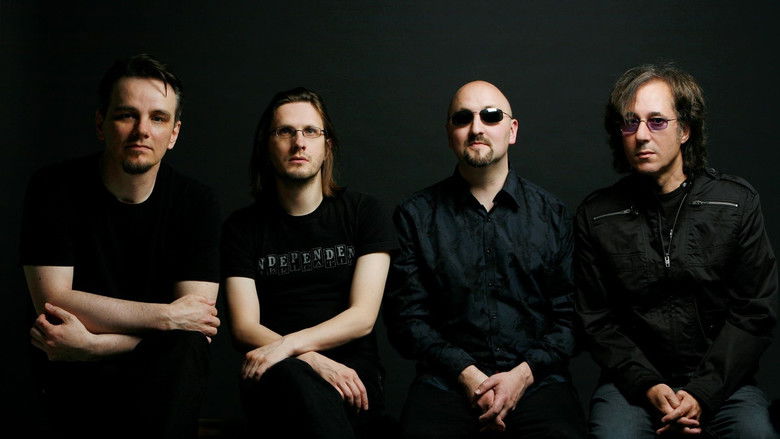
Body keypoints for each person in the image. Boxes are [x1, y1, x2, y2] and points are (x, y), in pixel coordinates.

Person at [21, 54, 221, 439]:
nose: (142, 130)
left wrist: (94, 345)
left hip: (151, 375)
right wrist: (166, 318)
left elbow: (196, 327)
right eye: (127, 115)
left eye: (158, 118)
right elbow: (54, 301)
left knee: (185, 351)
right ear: (101, 124)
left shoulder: (197, 203)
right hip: (70, 369)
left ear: (174, 133)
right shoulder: (53, 188)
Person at [574, 63, 778, 438]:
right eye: (630, 122)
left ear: (684, 130)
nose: (641, 135)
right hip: (632, 387)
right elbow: (596, 319)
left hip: (724, 384)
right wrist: (648, 384)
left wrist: (703, 391)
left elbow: (755, 311)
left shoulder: (735, 203)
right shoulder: (598, 215)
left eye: (656, 121)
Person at [385, 80, 586, 438]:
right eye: (463, 118)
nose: (476, 127)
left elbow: (571, 319)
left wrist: (521, 376)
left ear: (512, 130)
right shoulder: (415, 216)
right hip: (446, 383)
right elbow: (406, 320)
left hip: (536, 382)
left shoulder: (553, 215)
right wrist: (467, 374)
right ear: (450, 134)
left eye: (491, 116)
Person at [221, 87, 397, 438]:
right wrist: (309, 358)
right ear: (267, 145)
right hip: (275, 375)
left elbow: (362, 318)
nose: (298, 142)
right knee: (292, 380)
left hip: (352, 379)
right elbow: (243, 327)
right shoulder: (242, 228)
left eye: (310, 131)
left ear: (327, 146)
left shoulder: (364, 213)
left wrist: (288, 345)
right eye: (285, 131)